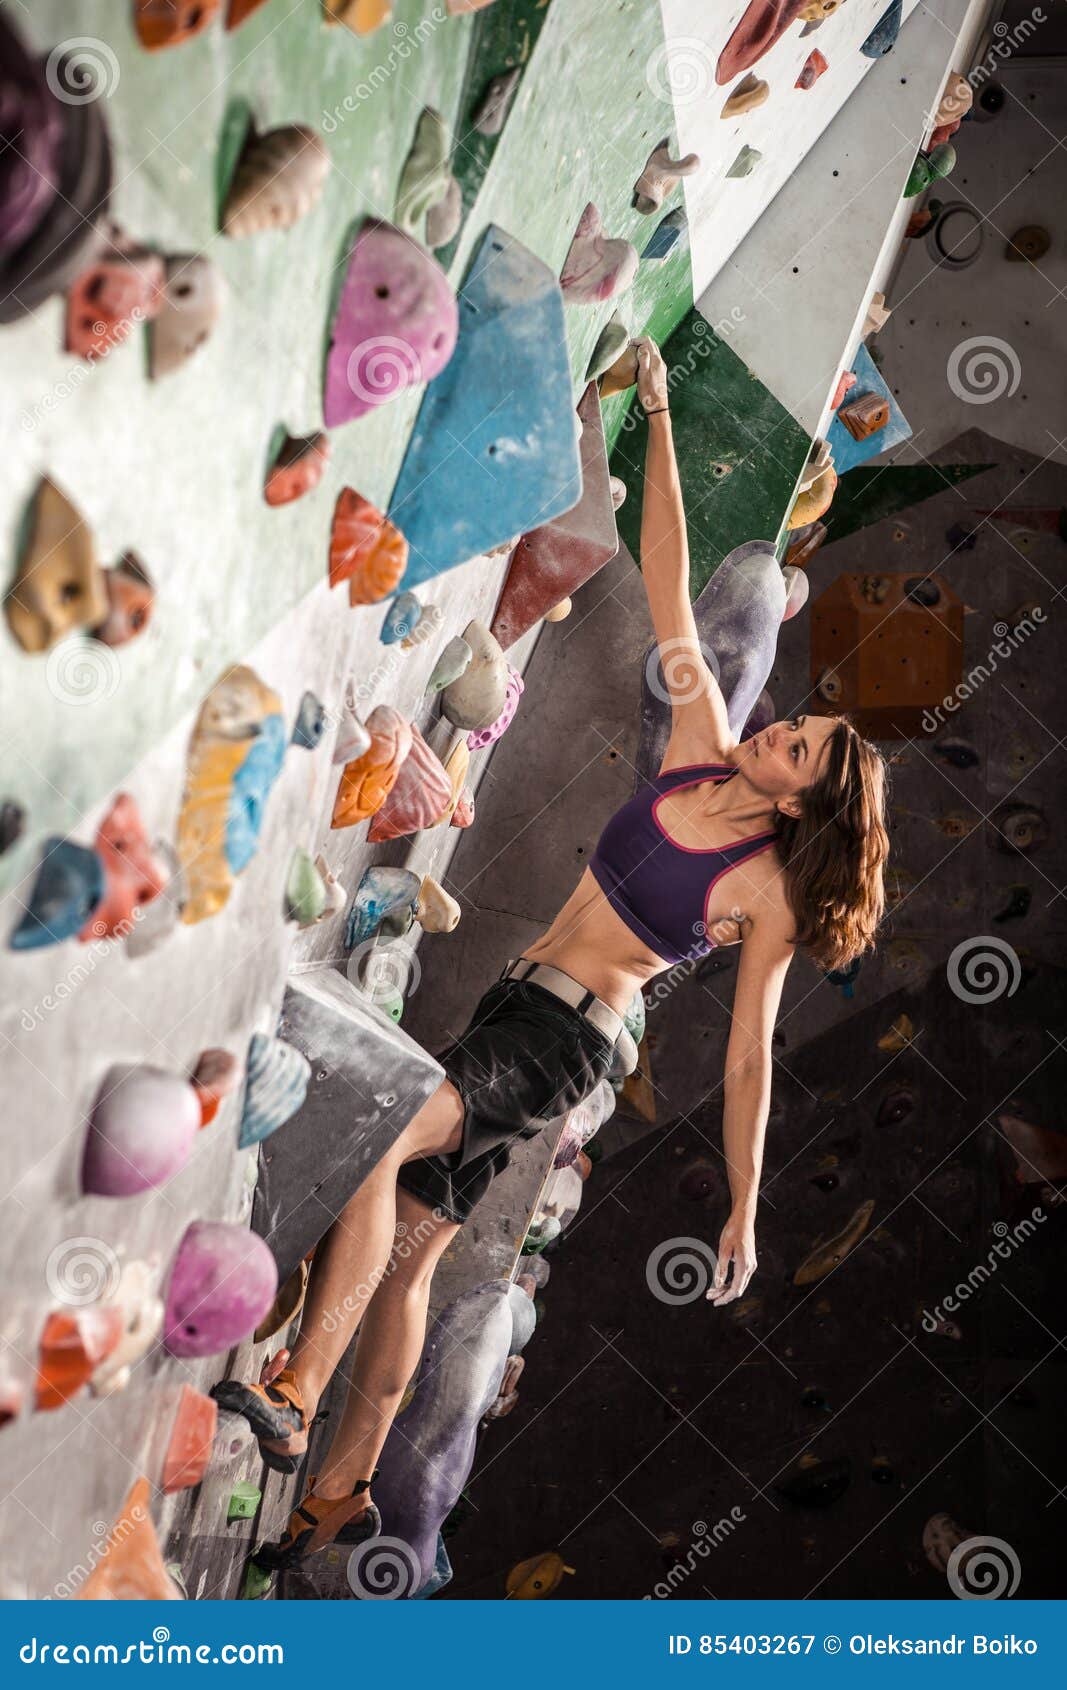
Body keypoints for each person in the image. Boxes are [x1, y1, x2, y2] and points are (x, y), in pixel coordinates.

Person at [213, 339, 889, 1569]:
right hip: (515, 1009)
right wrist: (663, 420)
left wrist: (741, 1205)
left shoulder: (764, 895)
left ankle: (297, 1397)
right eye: (794, 723)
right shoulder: (699, 739)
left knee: (385, 1139)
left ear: (801, 804)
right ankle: (339, 1499)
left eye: (799, 745)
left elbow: (747, 1060)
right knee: (415, 1240)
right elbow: (674, 577)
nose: (781, 726)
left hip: (562, 1041)